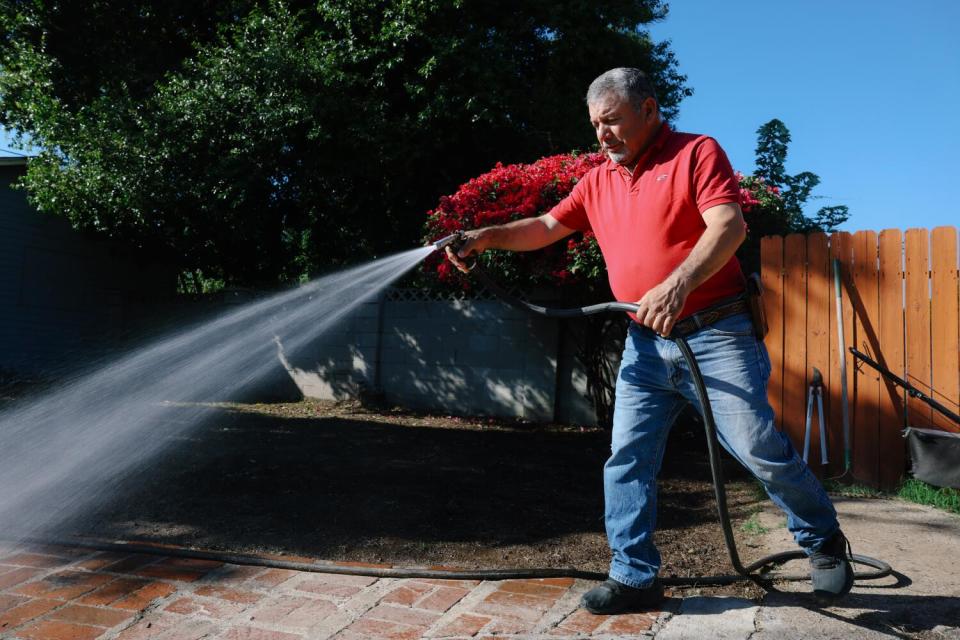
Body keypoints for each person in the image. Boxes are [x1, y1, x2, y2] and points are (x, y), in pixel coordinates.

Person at [445, 68, 853, 614]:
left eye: (611, 120)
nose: (602, 135)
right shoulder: (597, 180)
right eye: (595, 125)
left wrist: (680, 282)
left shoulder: (696, 153)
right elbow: (546, 226)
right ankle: (634, 575)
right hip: (644, 344)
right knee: (627, 458)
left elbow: (727, 226)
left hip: (717, 334)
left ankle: (822, 541)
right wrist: (486, 237)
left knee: (756, 447)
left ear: (649, 110)